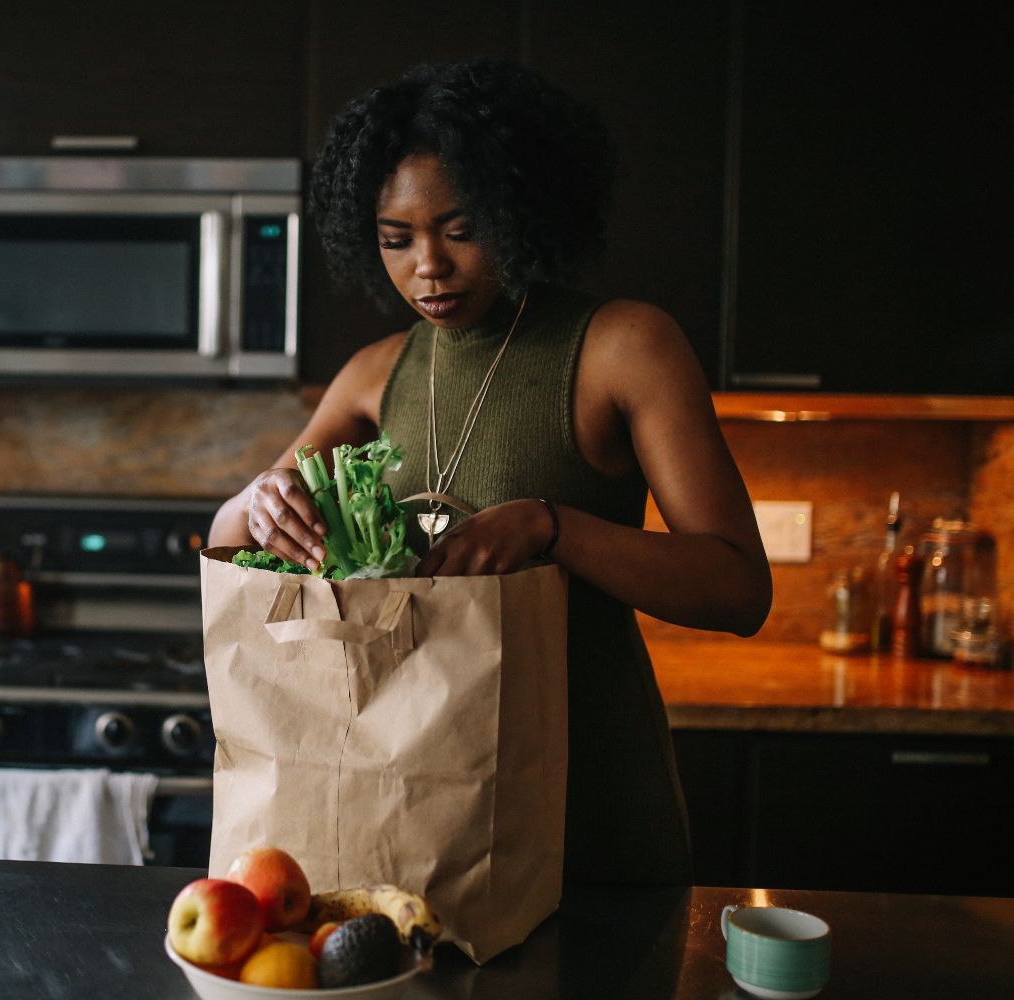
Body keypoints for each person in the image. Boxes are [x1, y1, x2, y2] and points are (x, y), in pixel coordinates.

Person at [208, 59, 773, 886]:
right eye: (395, 239)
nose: (427, 266)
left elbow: (737, 591)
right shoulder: (376, 374)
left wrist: (554, 527)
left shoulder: (624, 346)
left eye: (461, 229)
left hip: (589, 796)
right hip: (410, 807)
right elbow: (225, 542)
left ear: (520, 212)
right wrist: (261, 499)